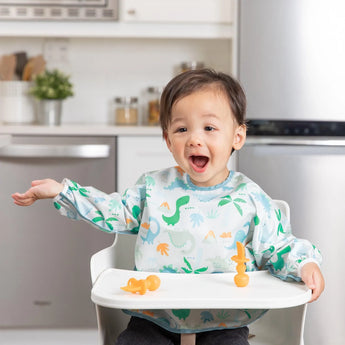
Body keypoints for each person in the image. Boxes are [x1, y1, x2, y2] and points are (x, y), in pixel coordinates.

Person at [12, 69, 324, 345]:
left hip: (224, 317)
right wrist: (62, 191)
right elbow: (112, 210)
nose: (194, 140)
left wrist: (305, 264)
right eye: (182, 129)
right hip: (154, 314)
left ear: (237, 136)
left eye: (209, 128)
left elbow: (277, 244)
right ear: (167, 139)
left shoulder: (250, 197)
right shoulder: (153, 188)